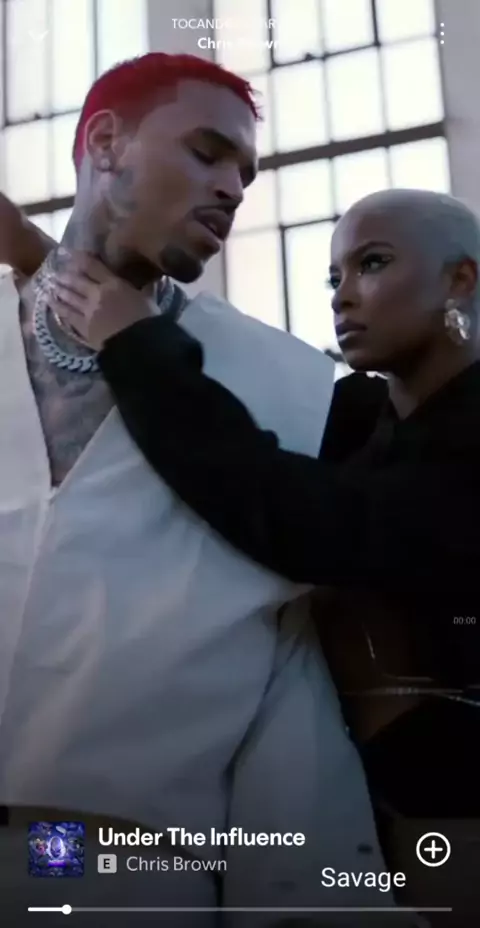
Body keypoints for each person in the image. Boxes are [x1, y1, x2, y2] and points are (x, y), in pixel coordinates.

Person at [0, 54, 405, 928]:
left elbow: (287, 680)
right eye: (207, 153)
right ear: (104, 143)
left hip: (134, 878)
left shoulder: (291, 388)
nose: (232, 189)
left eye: (246, 175)